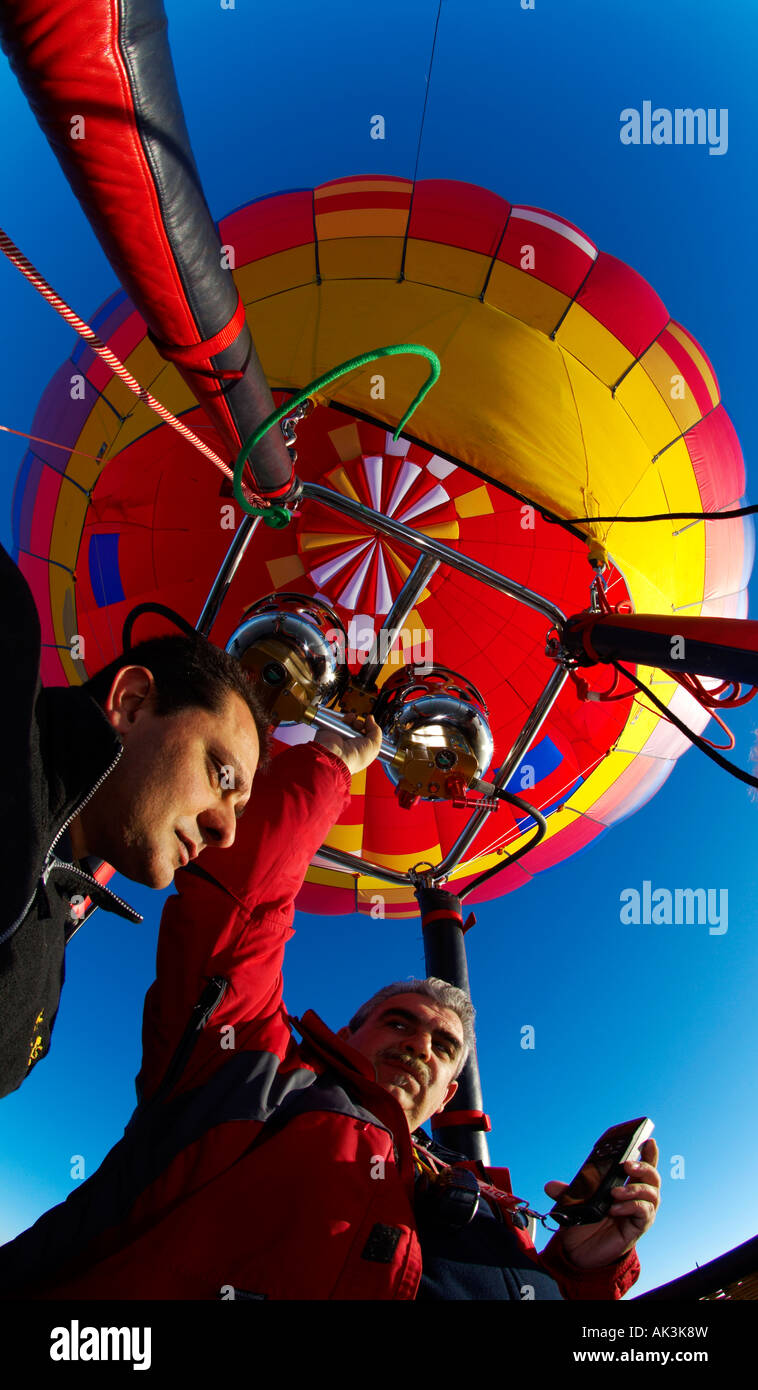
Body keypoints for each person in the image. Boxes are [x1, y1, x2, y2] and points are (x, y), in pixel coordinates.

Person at [0, 714, 659, 1300]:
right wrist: (330, 765)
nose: (419, 1046)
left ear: (450, 1089)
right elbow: (233, 917)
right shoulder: (256, 1079)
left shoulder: (495, 1209)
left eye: (443, 1045)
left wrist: (580, 1268)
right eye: (399, 1021)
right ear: (348, 1031)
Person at [0, 540, 268, 1099]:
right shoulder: (8, 635)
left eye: (240, 811)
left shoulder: (52, 959)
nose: (227, 832)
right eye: (222, 775)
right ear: (132, 703)